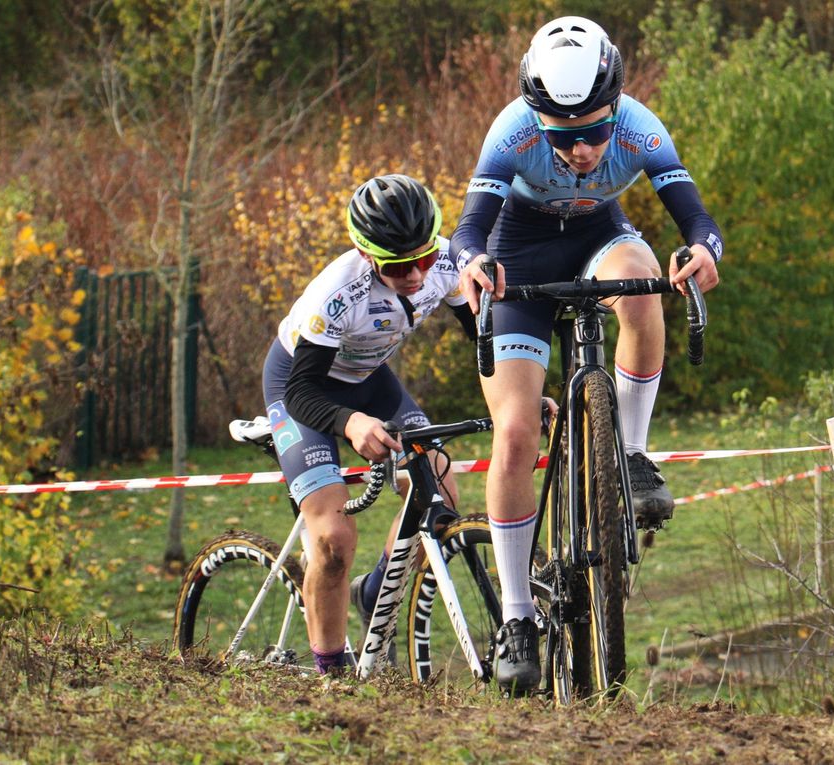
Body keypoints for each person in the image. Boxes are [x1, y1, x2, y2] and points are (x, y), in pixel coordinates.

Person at [451, 16, 723, 693]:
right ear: (537, 117)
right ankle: (516, 617)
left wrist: (701, 253)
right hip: (519, 258)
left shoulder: (640, 126)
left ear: (618, 106)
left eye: (597, 131)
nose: (583, 151)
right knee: (515, 433)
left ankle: (629, 455)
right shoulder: (511, 130)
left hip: (600, 239)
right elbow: (468, 231)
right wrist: (474, 262)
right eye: (565, 138)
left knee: (642, 285)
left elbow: (696, 218)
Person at [262, 173, 476, 674]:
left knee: (439, 486)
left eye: (423, 258)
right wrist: (351, 423)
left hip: (369, 378)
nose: (417, 276)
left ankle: (377, 590)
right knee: (334, 541)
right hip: (303, 388)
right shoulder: (337, 293)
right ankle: (332, 673)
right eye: (400, 266)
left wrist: (530, 395)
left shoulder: (446, 261)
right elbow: (300, 391)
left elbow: (484, 341)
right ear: (367, 254)